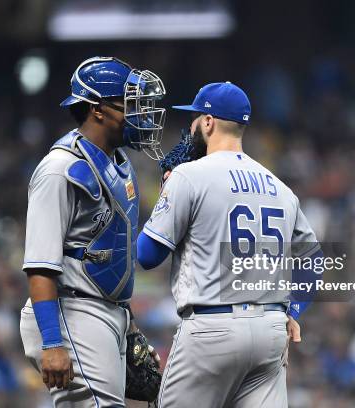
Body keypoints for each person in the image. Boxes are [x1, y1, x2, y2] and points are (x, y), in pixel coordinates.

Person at [137, 82, 323, 407]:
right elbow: (314, 261)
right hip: (270, 330)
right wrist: (293, 310)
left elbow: (147, 255)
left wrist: (169, 189)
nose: (191, 127)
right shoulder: (280, 187)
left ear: (208, 122)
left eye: (194, 119)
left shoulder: (188, 175)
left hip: (212, 329)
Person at [19, 56, 165, 407]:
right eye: (129, 105)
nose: (139, 115)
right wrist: (52, 342)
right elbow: (40, 264)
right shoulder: (60, 169)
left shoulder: (117, 163)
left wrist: (127, 324)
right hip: (70, 311)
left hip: (105, 312)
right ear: (98, 111)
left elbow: (111, 253)